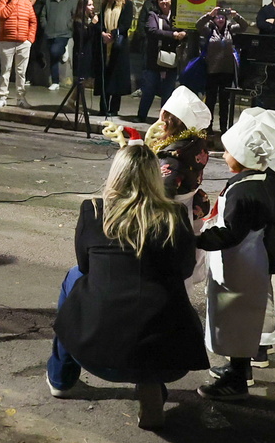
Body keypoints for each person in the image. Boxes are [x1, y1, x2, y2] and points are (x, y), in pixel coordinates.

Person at [47, 143, 208, 428]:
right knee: (161, 296)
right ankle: (150, 382)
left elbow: (85, 265)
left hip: (95, 353)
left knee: (74, 277)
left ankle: (61, 377)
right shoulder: (174, 215)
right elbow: (185, 269)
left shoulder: (94, 211)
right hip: (169, 357)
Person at [193, 108, 275, 401]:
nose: (224, 155)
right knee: (243, 317)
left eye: (228, 151)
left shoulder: (243, 190)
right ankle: (238, 368)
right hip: (254, 263)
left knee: (234, 318)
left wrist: (196, 239)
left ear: (244, 156)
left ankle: (238, 378)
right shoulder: (270, 181)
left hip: (239, 265)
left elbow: (230, 233)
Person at [136, 0, 188, 123]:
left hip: (172, 59)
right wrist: (173, 35)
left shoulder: (178, 17)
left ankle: (164, 120)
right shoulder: (153, 15)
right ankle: (141, 116)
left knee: (168, 91)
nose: (164, 2)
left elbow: (187, 30)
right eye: (161, 0)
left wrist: (184, 34)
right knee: (149, 88)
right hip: (154, 58)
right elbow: (152, 30)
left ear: (171, 0)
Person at [196, 4, 247, 131]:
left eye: (223, 17)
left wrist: (236, 16)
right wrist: (209, 15)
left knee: (225, 101)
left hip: (227, 71)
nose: (220, 20)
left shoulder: (230, 29)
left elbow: (244, 26)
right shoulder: (209, 30)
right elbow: (198, 25)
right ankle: (208, 127)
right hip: (212, 70)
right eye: (218, 17)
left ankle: (224, 127)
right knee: (210, 101)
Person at [94, 0, 135, 119]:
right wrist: (102, 34)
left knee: (116, 77)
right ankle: (103, 107)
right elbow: (99, 22)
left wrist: (113, 35)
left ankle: (114, 108)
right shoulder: (105, 5)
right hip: (105, 45)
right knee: (104, 76)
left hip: (118, 46)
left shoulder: (127, 5)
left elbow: (126, 24)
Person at [0, 0, 36, 109]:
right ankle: (2, 97)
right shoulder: (2, 1)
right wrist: (13, 1)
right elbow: (2, 15)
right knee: (5, 70)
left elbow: (33, 21)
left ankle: (21, 98)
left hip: (23, 42)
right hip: (6, 41)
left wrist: (30, 39)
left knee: (21, 72)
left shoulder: (26, 3)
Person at [38, 0, 75, 91]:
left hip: (64, 33)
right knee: (52, 57)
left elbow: (75, 16)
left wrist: (69, 26)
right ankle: (55, 81)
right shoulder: (49, 1)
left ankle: (63, 50)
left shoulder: (72, 1)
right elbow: (43, 15)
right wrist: (45, 26)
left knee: (55, 51)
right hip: (50, 33)